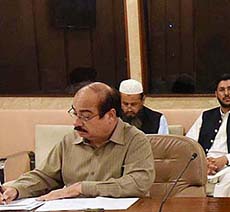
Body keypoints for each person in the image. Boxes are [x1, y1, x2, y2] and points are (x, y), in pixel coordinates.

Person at [0, 82, 154, 202]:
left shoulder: (135, 140)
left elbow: (137, 183)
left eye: (85, 116)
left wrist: (81, 188)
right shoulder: (69, 141)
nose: (76, 123)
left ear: (110, 116)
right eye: (75, 113)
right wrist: (16, 189)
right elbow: (45, 176)